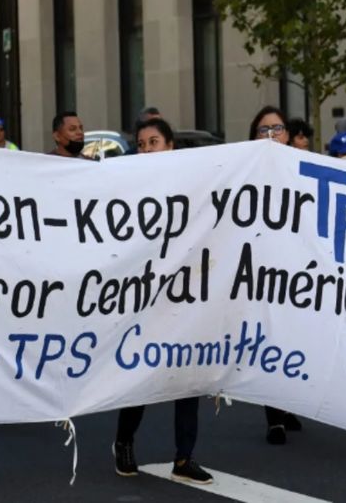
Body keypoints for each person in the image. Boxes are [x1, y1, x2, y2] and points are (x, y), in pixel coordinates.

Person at [113, 117, 212, 485]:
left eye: (153, 142)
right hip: (144, 294)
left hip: (185, 293)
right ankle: (123, 441)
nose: (147, 149)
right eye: (141, 144)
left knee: (188, 377)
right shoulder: (130, 185)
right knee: (139, 373)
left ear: (170, 146)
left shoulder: (193, 184)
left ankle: (184, 457)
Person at [248, 106, 303, 445]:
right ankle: (274, 417)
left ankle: (290, 402)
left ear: (288, 134)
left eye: (277, 128)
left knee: (297, 337)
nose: (271, 134)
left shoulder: (306, 167)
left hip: (302, 269)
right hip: (264, 268)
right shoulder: (246, 171)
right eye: (263, 129)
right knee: (271, 335)